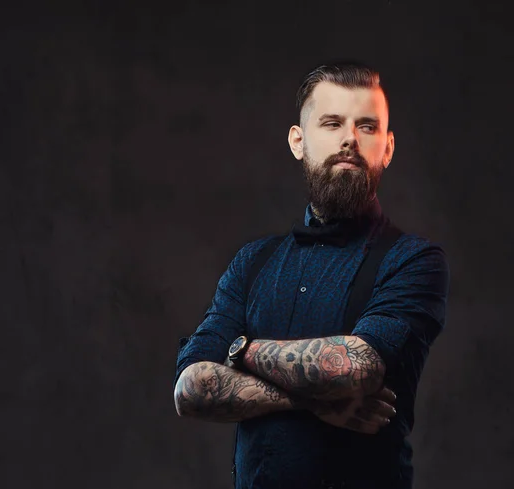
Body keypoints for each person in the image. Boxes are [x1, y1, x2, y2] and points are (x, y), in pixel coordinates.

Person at [173, 62, 450, 489]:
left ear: (388, 148)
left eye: (368, 127)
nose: (349, 140)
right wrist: (313, 402)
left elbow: (357, 369)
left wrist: (239, 349)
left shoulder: (413, 259)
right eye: (332, 123)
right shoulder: (253, 262)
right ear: (298, 141)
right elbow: (191, 388)